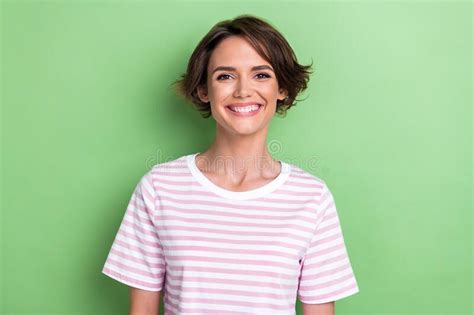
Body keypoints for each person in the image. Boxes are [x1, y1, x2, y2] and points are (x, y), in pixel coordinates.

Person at [102, 14, 360, 315]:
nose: (242, 91)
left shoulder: (313, 198)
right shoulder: (159, 189)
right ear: (203, 90)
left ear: (282, 89)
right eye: (225, 76)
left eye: (261, 75)